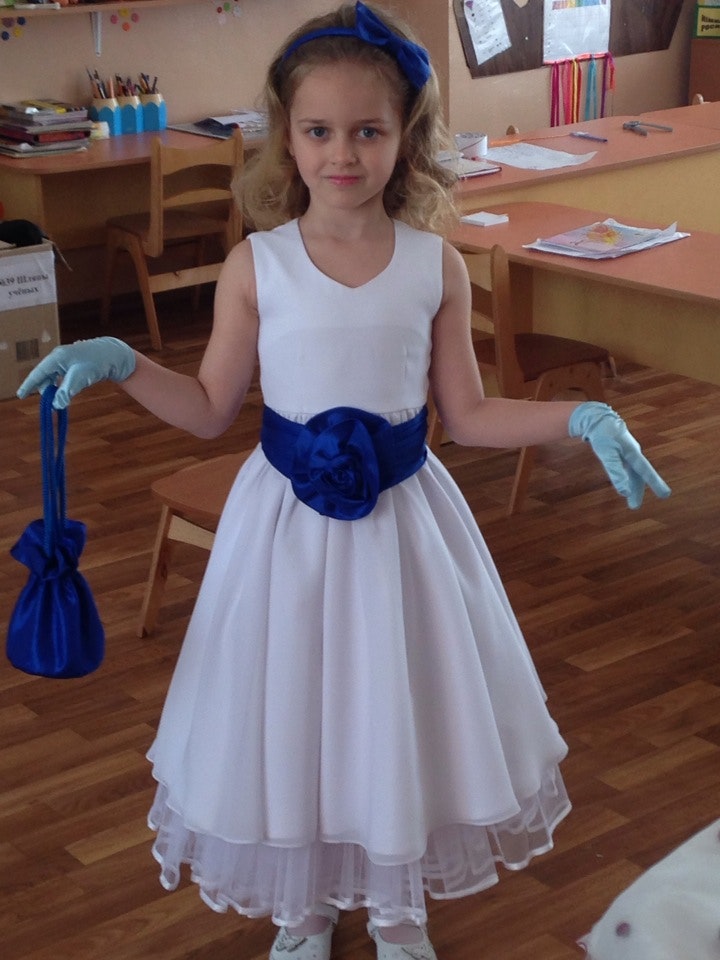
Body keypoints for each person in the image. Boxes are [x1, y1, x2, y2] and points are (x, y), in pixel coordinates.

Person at [17, 4, 670, 959]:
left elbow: (469, 415)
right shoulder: (257, 266)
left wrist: (579, 416)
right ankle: (305, 908)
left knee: (393, 711)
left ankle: (399, 914)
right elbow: (209, 408)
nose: (343, 153)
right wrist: (125, 362)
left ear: (407, 137)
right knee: (295, 710)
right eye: (319, 131)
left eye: (368, 131)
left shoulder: (435, 266)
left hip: (405, 532)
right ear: (287, 137)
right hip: (283, 536)